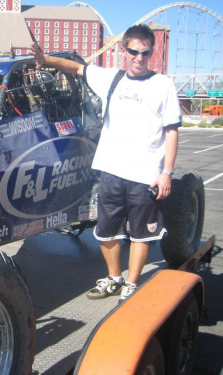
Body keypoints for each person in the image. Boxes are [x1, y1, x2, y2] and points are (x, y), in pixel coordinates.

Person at [30, 24, 181, 303]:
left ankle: (131, 284)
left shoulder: (163, 85)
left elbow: (172, 131)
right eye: (134, 51)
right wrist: (45, 60)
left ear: (151, 53)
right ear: (123, 50)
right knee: (106, 232)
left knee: (140, 235)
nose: (139, 57)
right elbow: (75, 68)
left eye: (145, 53)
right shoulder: (111, 79)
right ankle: (114, 278)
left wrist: (166, 173)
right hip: (111, 171)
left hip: (146, 175)